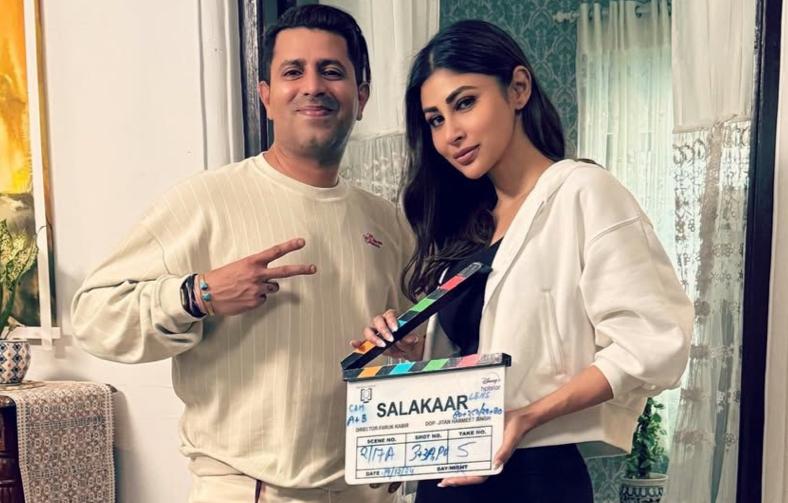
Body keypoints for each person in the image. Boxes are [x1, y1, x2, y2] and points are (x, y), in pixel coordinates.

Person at [71, 5, 413, 503]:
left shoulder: (386, 223)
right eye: (293, 72)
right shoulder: (205, 201)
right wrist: (197, 294)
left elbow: (409, 351)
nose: (312, 86)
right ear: (266, 96)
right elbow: (93, 317)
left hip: (365, 492)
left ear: (361, 97)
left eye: (331, 71)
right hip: (247, 491)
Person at [357, 20, 692, 502]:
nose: (451, 134)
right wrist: (414, 347)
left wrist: (529, 415)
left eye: (464, 103)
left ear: (518, 88)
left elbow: (652, 342)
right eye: (435, 120)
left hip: (535, 476)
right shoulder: (470, 223)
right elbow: (493, 349)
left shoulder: (583, 192)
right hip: (449, 476)